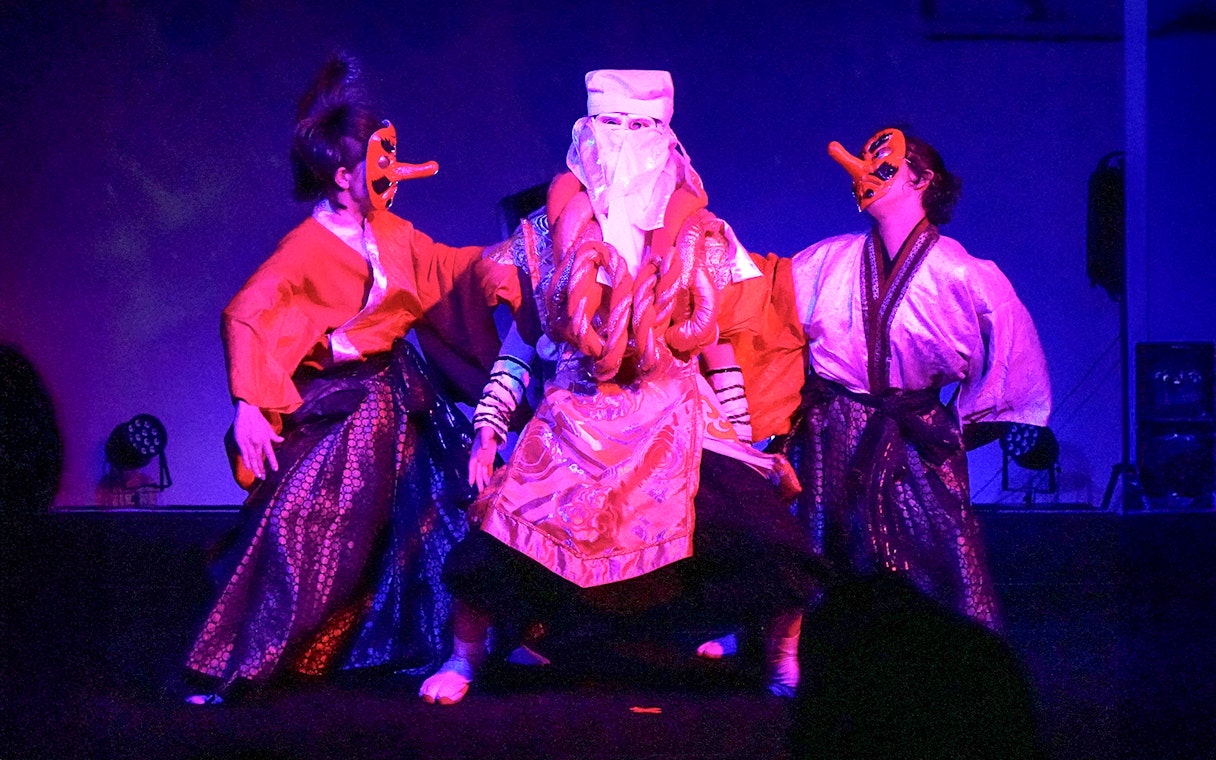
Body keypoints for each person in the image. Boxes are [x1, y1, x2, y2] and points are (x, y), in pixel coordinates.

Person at [418, 70, 819, 705]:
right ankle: (463, 658)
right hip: (577, 412)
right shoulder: (547, 236)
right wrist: (488, 431)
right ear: (587, 134)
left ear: (665, 138)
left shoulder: (698, 236)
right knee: (496, 539)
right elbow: (521, 346)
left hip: (676, 412)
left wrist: (744, 441)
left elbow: (715, 348)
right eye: (612, 126)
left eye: (642, 128)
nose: (627, 142)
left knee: (764, 530)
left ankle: (780, 656)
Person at [182, 55, 499, 703]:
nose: (390, 174)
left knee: (444, 515)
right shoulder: (306, 248)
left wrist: (516, 260)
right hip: (343, 401)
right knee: (304, 522)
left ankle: (460, 640)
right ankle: (235, 660)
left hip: (403, 394)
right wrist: (248, 404)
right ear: (341, 174)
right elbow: (248, 313)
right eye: (376, 163)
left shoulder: (392, 233)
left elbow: (448, 270)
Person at [785, 128, 1052, 629]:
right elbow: (773, 319)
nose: (865, 175)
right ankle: (801, 652)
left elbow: (1011, 353)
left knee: (933, 546)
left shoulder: (964, 272)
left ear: (923, 179)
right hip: (829, 423)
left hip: (911, 430)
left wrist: (970, 423)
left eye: (885, 168)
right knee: (815, 542)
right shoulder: (827, 259)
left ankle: (941, 660)